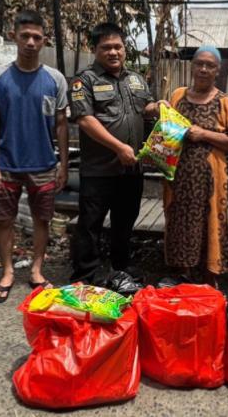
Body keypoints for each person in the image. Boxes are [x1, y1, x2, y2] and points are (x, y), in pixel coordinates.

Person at [0, 10, 68, 303]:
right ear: (13, 36)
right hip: (5, 165)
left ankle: (37, 270)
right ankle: (6, 272)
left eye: (36, 37)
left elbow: (61, 125)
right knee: (5, 220)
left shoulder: (55, 80)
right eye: (25, 36)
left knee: (43, 219)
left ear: (44, 41)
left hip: (44, 164)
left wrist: (63, 164)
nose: (30, 42)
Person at [67, 22, 164, 283]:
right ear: (95, 49)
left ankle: (121, 266)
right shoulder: (84, 80)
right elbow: (85, 120)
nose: (113, 52)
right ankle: (85, 274)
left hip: (131, 168)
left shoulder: (136, 78)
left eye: (118, 47)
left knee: (125, 220)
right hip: (99, 170)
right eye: (106, 47)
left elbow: (144, 109)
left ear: (125, 49)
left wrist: (157, 107)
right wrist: (119, 147)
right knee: (90, 224)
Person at [163, 46, 228, 287]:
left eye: (210, 65)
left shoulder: (225, 103)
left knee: (210, 224)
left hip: (209, 180)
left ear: (217, 70)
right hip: (178, 177)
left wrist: (203, 134)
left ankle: (209, 277)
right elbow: (166, 128)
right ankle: (182, 276)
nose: (204, 69)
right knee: (179, 222)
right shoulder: (177, 95)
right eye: (200, 63)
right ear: (193, 66)